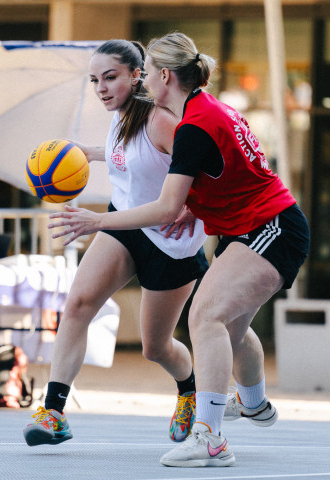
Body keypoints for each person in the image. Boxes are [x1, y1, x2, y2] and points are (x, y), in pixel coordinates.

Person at [47, 32, 310, 468]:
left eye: (146, 72)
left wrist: (97, 221)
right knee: (231, 328)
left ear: (164, 75)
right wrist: (199, 204)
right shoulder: (208, 109)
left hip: (271, 228)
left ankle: (208, 437)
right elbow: (224, 174)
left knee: (205, 316)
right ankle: (254, 403)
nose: (143, 81)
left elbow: (166, 206)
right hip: (251, 226)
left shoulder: (191, 126)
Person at [22, 39, 209, 447]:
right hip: (124, 221)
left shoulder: (162, 120)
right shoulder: (120, 116)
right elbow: (129, 155)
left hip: (169, 240)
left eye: (110, 77)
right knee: (77, 303)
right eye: (95, 80)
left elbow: (208, 167)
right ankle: (53, 411)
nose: (101, 88)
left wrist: (196, 208)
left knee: (155, 347)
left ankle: (189, 390)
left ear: (137, 75)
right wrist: (86, 153)